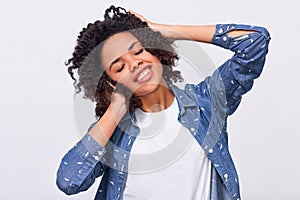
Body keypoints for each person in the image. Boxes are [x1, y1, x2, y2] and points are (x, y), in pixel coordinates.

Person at [56, 5, 270, 200]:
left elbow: (255, 42)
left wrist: (160, 30)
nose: (135, 63)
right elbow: (68, 181)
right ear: (109, 83)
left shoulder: (206, 102)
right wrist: (117, 107)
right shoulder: (113, 130)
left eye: (138, 50)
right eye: (119, 67)